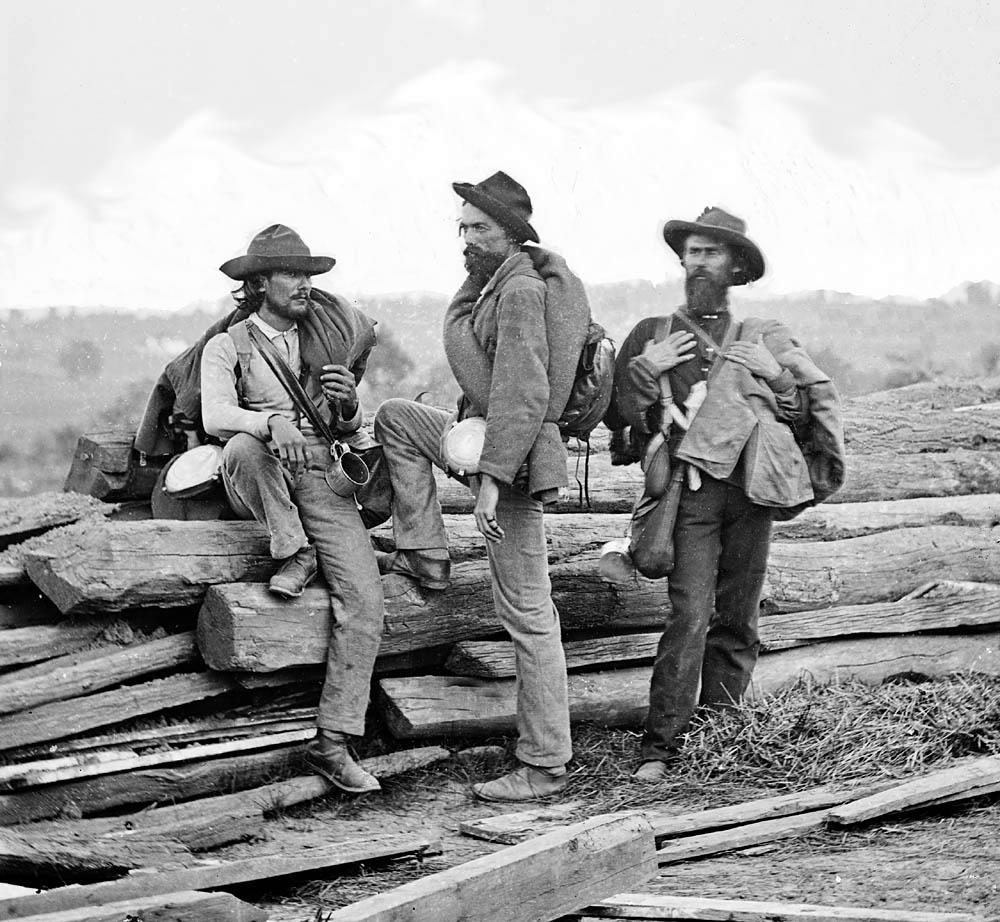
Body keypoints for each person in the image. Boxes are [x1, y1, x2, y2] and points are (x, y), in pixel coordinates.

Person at [606, 207, 845, 781]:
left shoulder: (763, 336)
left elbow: (798, 413)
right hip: (687, 496)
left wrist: (778, 375)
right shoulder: (652, 334)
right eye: (692, 251)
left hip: (751, 493)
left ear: (735, 265)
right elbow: (616, 418)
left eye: (712, 252)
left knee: (738, 617)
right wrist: (643, 371)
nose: (699, 262)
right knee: (688, 616)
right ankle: (661, 747)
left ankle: (725, 737)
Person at [374, 171, 590, 801]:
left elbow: (524, 392)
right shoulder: (492, 283)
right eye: (462, 226)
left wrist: (491, 483)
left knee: (528, 612)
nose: (465, 238)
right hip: (485, 436)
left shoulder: (521, 290)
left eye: (479, 228)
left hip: (515, 458)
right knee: (396, 417)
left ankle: (545, 763)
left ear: (510, 234)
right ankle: (427, 553)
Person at [200, 224, 384, 794]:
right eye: (291, 274)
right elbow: (215, 416)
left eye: (308, 274)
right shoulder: (229, 345)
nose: (304, 285)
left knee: (366, 598)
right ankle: (294, 548)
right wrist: (266, 420)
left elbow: (344, 426)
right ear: (258, 284)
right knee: (243, 445)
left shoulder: (322, 342)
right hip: (261, 471)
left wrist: (349, 406)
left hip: (320, 475)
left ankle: (332, 742)